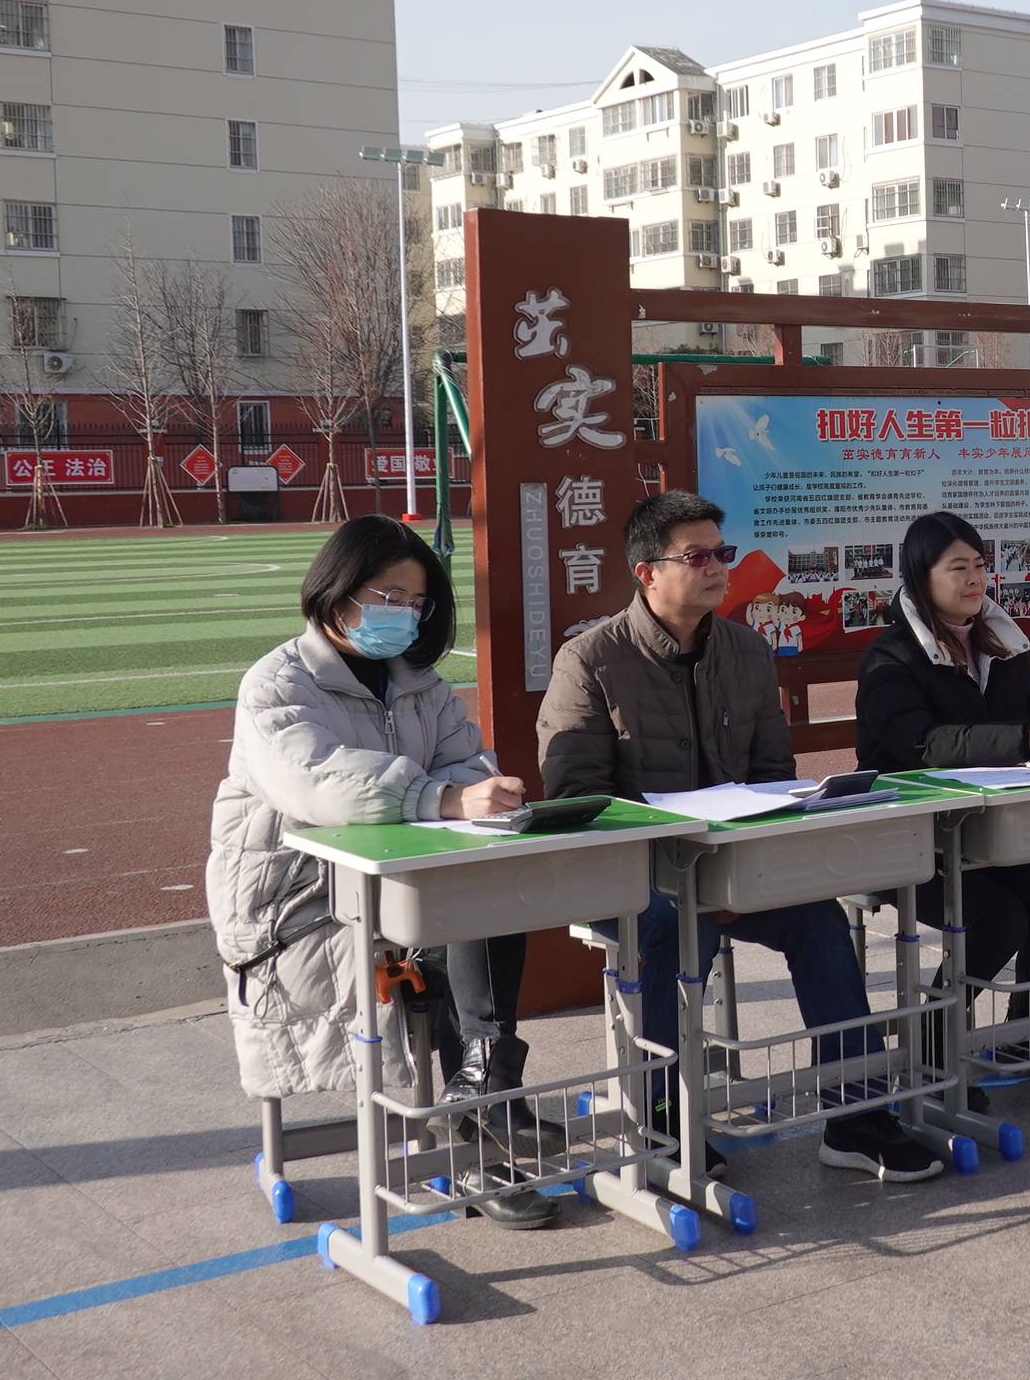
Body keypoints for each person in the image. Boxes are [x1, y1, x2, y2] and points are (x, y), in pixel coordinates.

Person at [539, 491, 942, 1182]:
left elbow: (772, 777)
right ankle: (662, 1120)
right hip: (630, 875)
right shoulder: (590, 660)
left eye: (721, 553)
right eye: (697, 557)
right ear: (647, 573)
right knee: (667, 926)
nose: (718, 568)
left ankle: (857, 1115)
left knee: (818, 919)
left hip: (732, 863)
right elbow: (578, 799)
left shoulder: (747, 651)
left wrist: (746, 868)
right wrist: (688, 870)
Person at [208, 516, 559, 1229]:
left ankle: (483, 1103)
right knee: (460, 922)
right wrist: (442, 798)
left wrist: (473, 791)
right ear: (337, 594)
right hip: (300, 907)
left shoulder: (419, 681)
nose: (402, 613)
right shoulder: (277, 684)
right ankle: (488, 1115)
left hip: (399, 890)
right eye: (388, 595)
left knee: (480, 905)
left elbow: (467, 757)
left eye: (416, 601)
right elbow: (318, 785)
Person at [856, 510, 1030, 1087]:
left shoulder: (998, 641)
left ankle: (1023, 1038)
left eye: (980, 565)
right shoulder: (893, 657)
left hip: (985, 834)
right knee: (997, 921)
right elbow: (920, 746)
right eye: (957, 567)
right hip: (909, 838)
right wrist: (1024, 739)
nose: (974, 579)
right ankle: (932, 1055)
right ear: (920, 576)